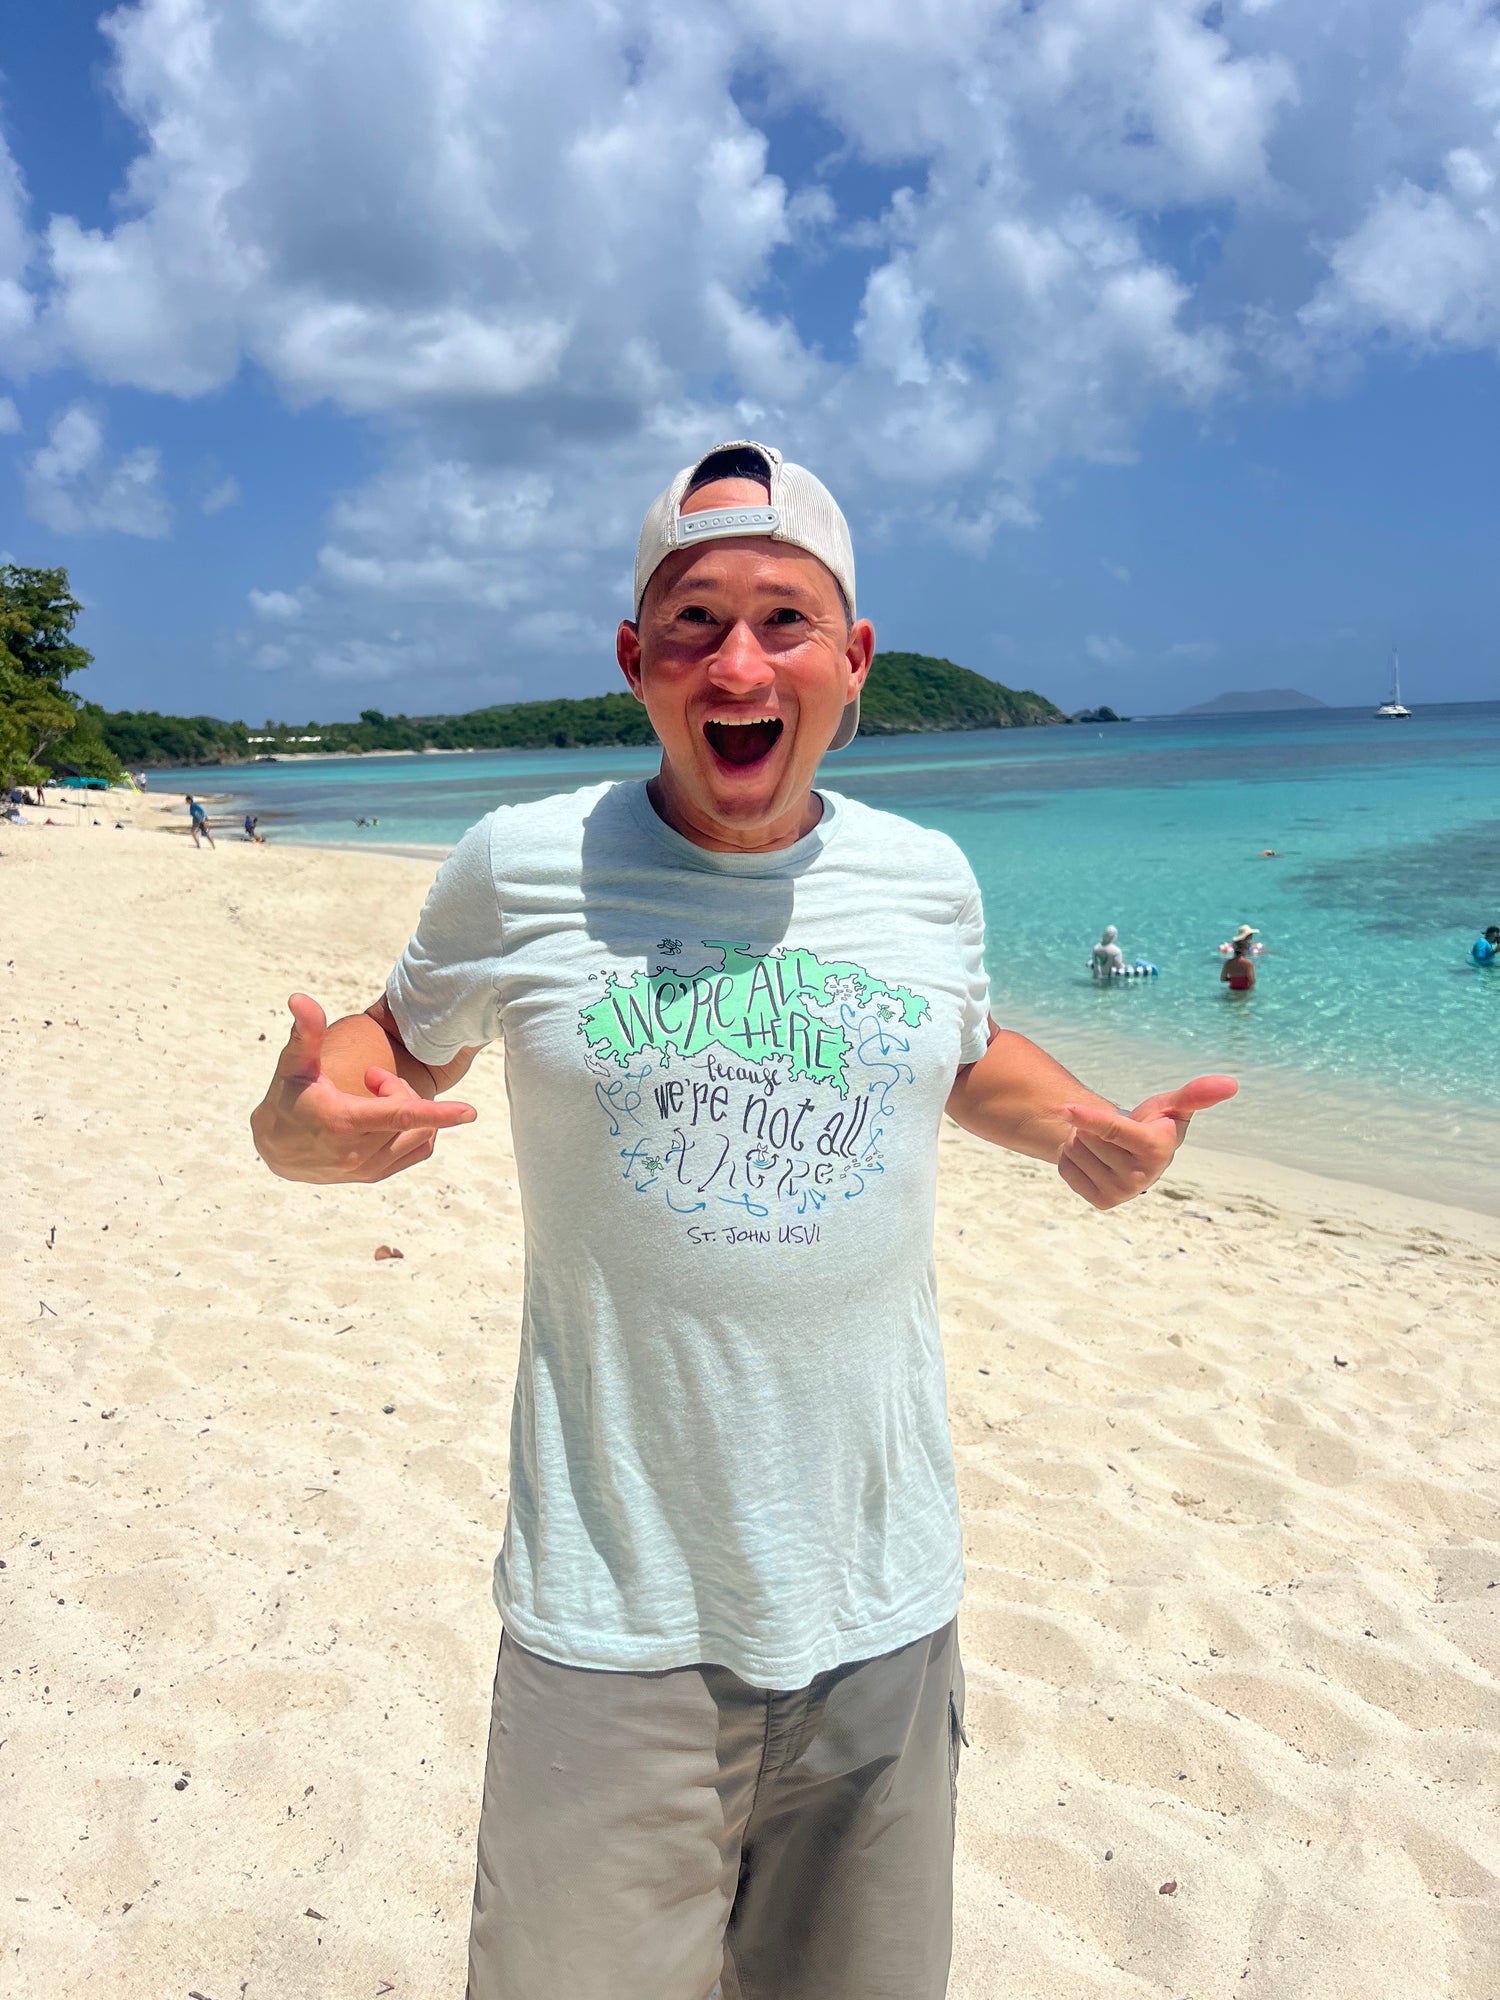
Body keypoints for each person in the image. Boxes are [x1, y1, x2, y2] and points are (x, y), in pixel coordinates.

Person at [250, 439, 1238, 2000]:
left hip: (883, 1608)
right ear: (636, 664)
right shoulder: (523, 869)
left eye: (784, 621)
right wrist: (305, 1129)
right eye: (696, 622)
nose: (740, 659)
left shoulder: (928, 883)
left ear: (854, 664)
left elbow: (958, 1050)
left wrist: (1083, 1132)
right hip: (613, 1621)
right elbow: (366, 1061)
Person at [1221, 923, 1258, 991]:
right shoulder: (1248, 964)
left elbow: (1223, 979)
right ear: (1246, 947)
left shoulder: (1228, 963)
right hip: (1244, 993)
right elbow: (1252, 982)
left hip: (1232, 990)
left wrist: (1234, 979)